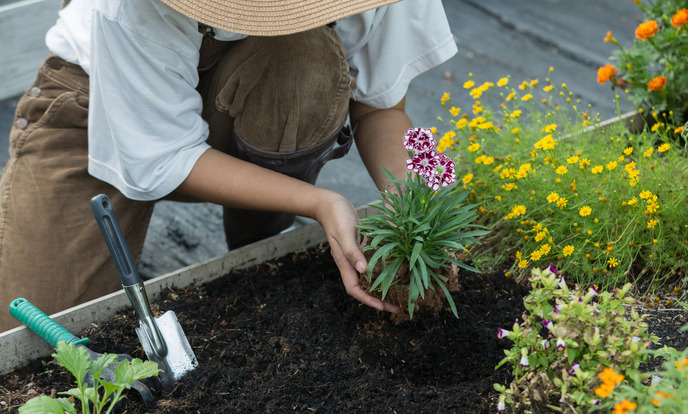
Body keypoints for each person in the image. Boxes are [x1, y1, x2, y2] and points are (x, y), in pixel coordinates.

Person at [0, 0, 457, 332]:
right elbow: (160, 156)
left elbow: (382, 108)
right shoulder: (125, 8)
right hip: (94, 105)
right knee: (43, 338)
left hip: (254, 94)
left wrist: (419, 202)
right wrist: (320, 201)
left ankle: (258, 255)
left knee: (302, 59)